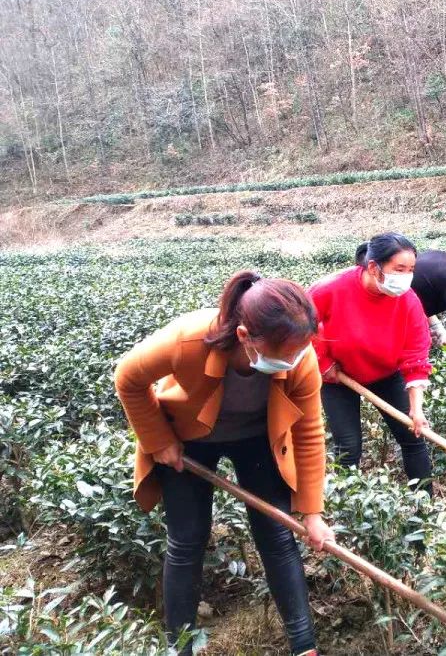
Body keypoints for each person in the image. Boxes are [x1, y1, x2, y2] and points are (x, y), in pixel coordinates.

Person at [114, 271, 333, 656]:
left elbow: (310, 429)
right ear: (246, 337)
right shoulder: (188, 339)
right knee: (187, 539)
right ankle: (178, 648)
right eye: (285, 354)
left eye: (302, 350)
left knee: (278, 535)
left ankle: (304, 646)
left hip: (258, 439)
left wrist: (312, 512)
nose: (295, 361)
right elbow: (128, 378)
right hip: (189, 440)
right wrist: (159, 440)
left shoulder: (301, 355)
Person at [311, 232, 433, 491]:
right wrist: (323, 363)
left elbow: (416, 354)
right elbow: (301, 327)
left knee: (413, 438)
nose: (405, 277)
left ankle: (425, 511)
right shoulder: (331, 288)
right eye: (399, 269)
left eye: (410, 270)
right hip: (338, 378)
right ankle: (347, 511)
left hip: (387, 374)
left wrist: (416, 409)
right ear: (373, 267)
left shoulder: (408, 300)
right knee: (348, 447)